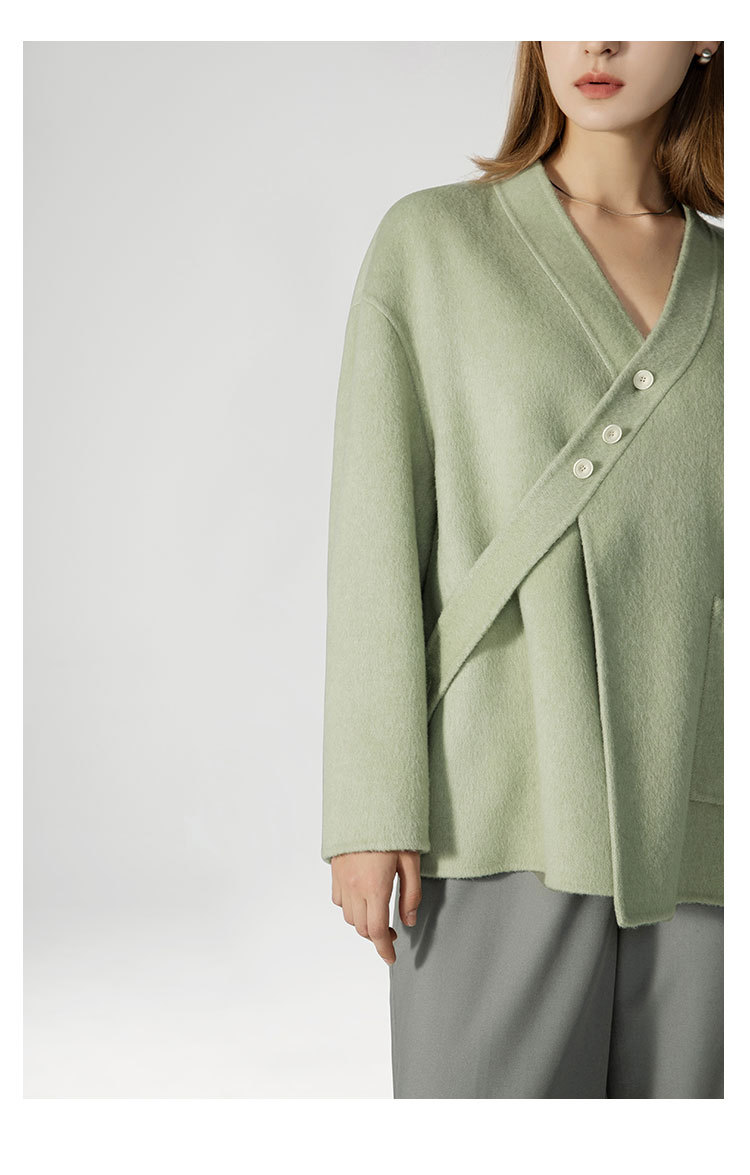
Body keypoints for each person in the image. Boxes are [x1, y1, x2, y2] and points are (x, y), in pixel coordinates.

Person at [321, 41, 724, 1098]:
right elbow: (374, 535)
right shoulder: (432, 246)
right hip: (491, 803)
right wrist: (371, 806)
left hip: (708, 825)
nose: (598, 39)